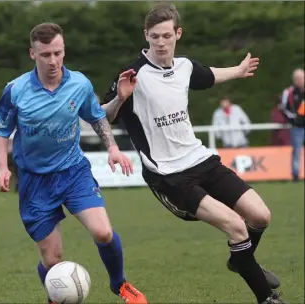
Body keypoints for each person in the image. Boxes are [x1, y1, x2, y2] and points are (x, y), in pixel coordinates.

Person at [101, 4, 285, 304]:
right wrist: (120, 98)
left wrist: (238, 71)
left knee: (260, 216)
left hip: (201, 160)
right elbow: (103, 117)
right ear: (146, 36)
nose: (161, 42)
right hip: (168, 176)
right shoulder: (134, 75)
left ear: (178, 34)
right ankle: (267, 299)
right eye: (155, 36)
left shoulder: (184, 67)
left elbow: (208, 75)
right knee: (236, 227)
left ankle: (241, 261)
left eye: (166, 35)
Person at [0, 23, 147, 304]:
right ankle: (57, 297)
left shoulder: (79, 84)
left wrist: (112, 146)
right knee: (53, 260)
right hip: (34, 181)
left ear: (64, 52)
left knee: (103, 231)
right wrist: (3, 167)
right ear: (32, 54)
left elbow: (97, 117)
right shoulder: (16, 90)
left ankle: (120, 285)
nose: (53, 61)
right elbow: (0, 130)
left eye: (58, 53)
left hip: (73, 171)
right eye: (46, 54)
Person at [280, 68, 305, 181]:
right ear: (294, 80)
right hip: (297, 127)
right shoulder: (289, 92)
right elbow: (283, 108)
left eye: (302, 78)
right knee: (296, 150)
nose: (300, 80)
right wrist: (293, 120)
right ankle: (295, 175)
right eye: (298, 78)